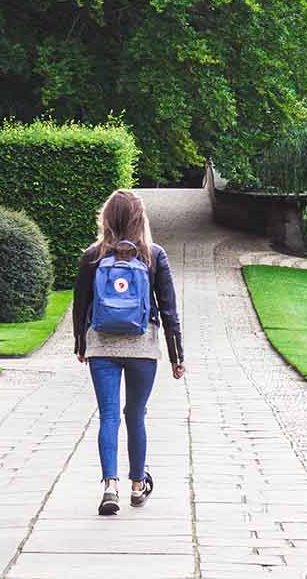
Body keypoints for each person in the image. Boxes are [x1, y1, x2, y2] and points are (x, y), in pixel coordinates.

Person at [73, 190, 184, 516]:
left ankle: (110, 485)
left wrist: (81, 344)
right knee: (135, 414)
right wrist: (177, 355)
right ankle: (138, 485)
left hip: (102, 345)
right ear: (140, 219)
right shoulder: (153, 255)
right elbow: (169, 310)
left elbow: (80, 307)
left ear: (106, 218)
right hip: (142, 347)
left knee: (108, 415)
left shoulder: (93, 256)